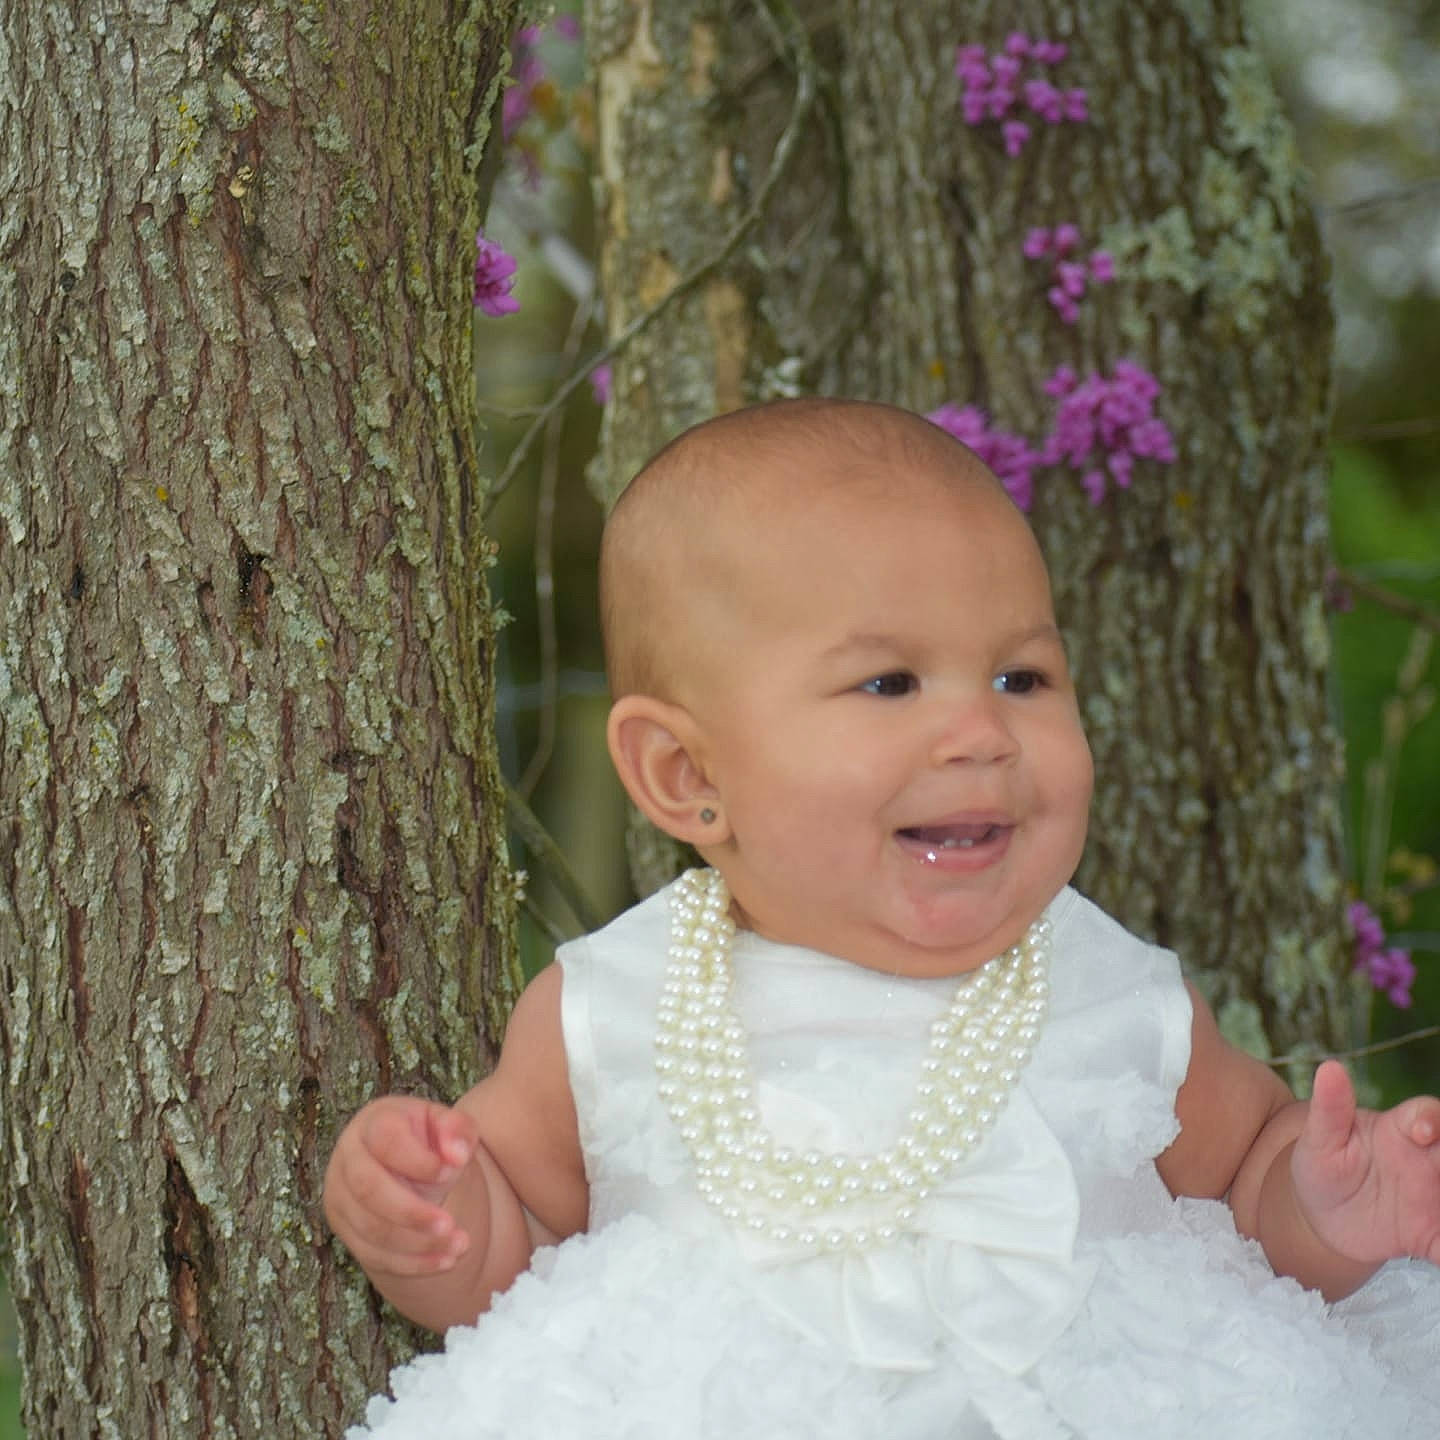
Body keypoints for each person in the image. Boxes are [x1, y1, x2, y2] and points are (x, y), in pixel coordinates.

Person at [323, 398, 1440, 1438]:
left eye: (1021, 679)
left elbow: (1248, 1182)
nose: (981, 735)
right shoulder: (617, 1004)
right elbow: (511, 1265)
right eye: (891, 684)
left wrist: (1324, 1204)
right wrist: (429, 1213)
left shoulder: (1104, 986)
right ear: (681, 774)